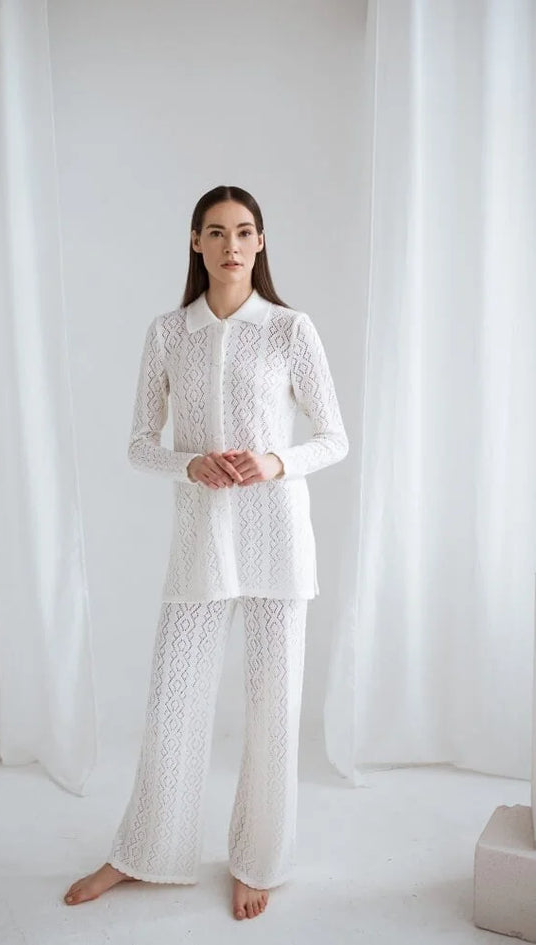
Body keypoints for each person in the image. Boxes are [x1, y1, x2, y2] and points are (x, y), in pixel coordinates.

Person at [63, 184, 349, 920]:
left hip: (277, 541)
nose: (230, 245)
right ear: (195, 242)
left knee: (272, 705)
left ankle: (258, 859)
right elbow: (136, 442)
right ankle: (144, 852)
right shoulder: (168, 333)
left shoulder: (289, 330)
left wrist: (275, 462)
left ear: (261, 242)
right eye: (216, 232)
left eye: (244, 231)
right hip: (201, 541)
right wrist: (186, 463)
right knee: (174, 702)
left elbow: (334, 436)